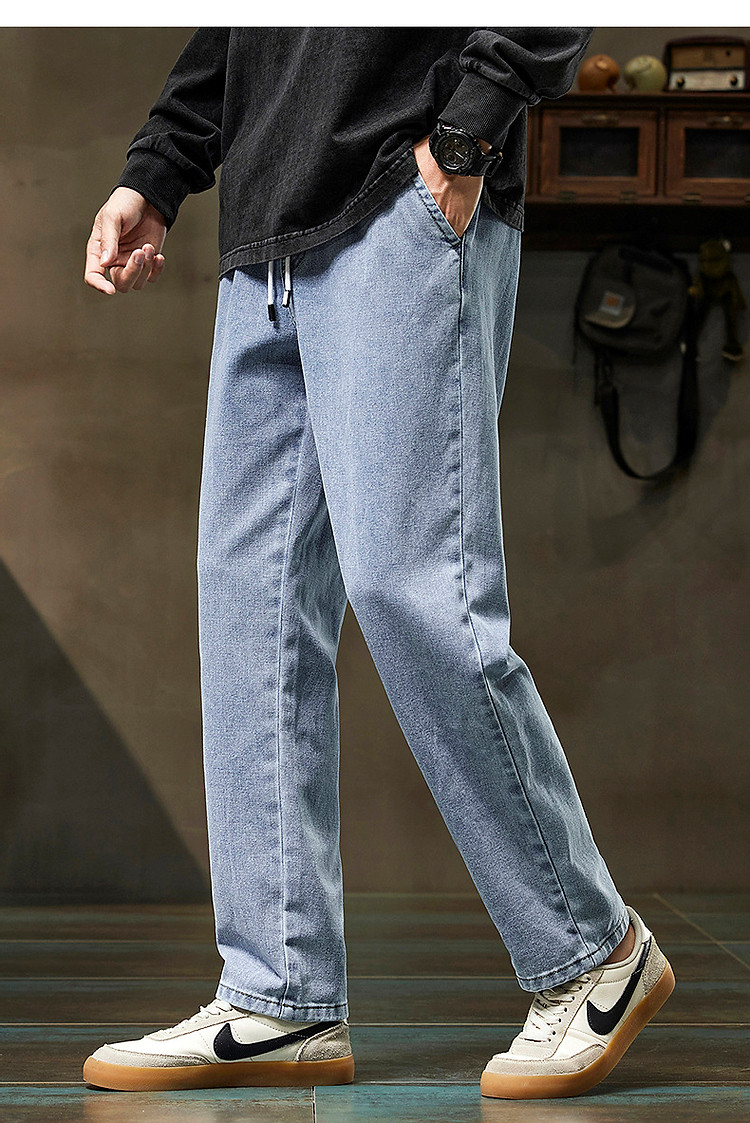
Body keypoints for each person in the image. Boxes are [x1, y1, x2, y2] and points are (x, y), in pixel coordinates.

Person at [81, 27, 675, 1100]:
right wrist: (158, 169)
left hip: (398, 192)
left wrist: (468, 136)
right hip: (266, 229)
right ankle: (279, 992)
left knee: (415, 589)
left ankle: (594, 951)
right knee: (250, 608)